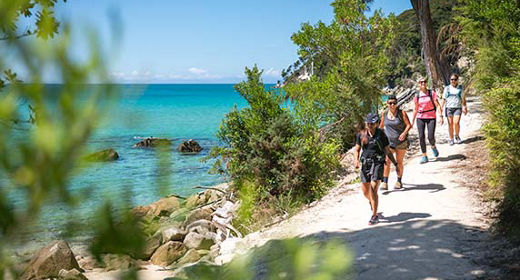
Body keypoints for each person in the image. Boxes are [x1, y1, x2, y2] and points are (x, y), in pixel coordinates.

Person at [354, 113, 399, 225]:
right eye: (368, 123)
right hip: (365, 164)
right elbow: (357, 149)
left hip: (378, 163)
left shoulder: (381, 135)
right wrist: (356, 160)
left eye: (372, 123)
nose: (369, 125)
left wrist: (395, 164)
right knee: (365, 192)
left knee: (374, 189)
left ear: (377, 123)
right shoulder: (361, 135)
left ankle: (374, 215)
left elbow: (388, 151)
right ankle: (372, 202)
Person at [379, 95, 412, 190]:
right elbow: (381, 127)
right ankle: (385, 182)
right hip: (389, 143)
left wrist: (404, 133)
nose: (392, 105)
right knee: (387, 161)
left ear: (397, 104)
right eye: (390, 103)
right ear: (387, 104)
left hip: (401, 143)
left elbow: (409, 125)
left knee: (399, 162)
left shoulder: (402, 113)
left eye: (394, 103)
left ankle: (399, 181)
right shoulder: (384, 114)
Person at [411, 77, 444, 164]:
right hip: (420, 117)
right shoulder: (417, 95)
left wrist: (441, 116)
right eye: (421, 82)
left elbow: (437, 105)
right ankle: (424, 156)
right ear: (419, 84)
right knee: (421, 136)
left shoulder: (431, 93)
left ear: (426, 83)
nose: (423, 83)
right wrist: (412, 121)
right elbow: (415, 108)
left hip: (431, 116)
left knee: (430, 137)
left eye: (424, 82)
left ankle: (433, 146)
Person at [442, 74, 467, 145]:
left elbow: (463, 99)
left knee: (456, 122)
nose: (453, 81)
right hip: (449, 108)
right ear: (450, 80)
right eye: (452, 79)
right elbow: (444, 99)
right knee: (450, 124)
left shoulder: (460, 88)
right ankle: (451, 138)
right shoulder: (447, 88)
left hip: (457, 108)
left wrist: (465, 107)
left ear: (457, 80)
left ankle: (457, 136)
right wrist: (441, 107)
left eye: (455, 79)